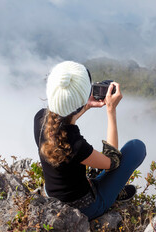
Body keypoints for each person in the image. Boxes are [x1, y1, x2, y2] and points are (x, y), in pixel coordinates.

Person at [34, 61, 146, 220]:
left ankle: (104, 185)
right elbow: (113, 162)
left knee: (93, 166)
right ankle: (111, 193)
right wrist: (111, 111)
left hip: (52, 196)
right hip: (85, 208)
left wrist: (85, 106)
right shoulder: (76, 145)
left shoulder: (40, 118)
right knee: (137, 148)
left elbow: (64, 118)